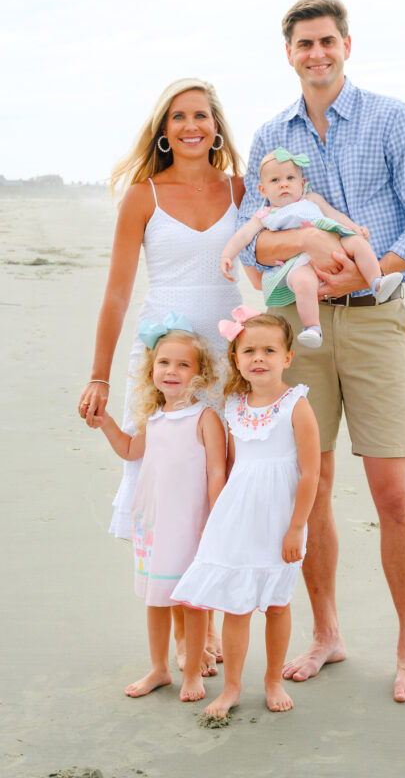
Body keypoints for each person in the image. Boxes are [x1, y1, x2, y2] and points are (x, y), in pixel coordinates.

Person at [236, 0, 405, 703]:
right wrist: (307, 244)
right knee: (314, 486)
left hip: (376, 322)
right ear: (290, 52)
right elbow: (252, 235)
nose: (316, 53)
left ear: (347, 46)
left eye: (327, 41)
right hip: (301, 329)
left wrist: (370, 267)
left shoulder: (392, 119)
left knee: (394, 494)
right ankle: (327, 634)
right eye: (304, 44)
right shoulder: (271, 137)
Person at [78, 77, 251, 667]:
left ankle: (209, 621)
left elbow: (278, 253)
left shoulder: (241, 188)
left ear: (217, 126)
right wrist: (100, 377)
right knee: (170, 493)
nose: (191, 126)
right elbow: (117, 295)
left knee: (220, 488)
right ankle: (185, 637)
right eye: (178, 117)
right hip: (165, 363)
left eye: (201, 115)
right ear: (164, 129)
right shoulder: (143, 196)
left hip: (229, 361)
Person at [172, 309, 320, 716]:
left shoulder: (296, 406)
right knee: (236, 605)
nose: (259, 358)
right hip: (238, 519)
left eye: (270, 350)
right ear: (236, 359)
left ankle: (272, 680)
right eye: (249, 350)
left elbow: (310, 474)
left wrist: (296, 528)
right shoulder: (233, 405)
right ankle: (233, 687)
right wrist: (220, 517)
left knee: (275, 603)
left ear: (287, 358)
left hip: (280, 522)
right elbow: (234, 468)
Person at [90, 318, 227, 701]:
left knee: (191, 600)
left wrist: (215, 521)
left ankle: (192, 676)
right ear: (152, 369)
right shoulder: (152, 418)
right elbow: (130, 452)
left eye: (184, 364)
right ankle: (159, 668)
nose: (172, 371)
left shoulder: (205, 418)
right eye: (165, 362)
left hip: (191, 525)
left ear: (200, 374)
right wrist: (107, 424)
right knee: (156, 598)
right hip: (155, 523)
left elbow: (217, 472)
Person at [219, 147, 403, 347]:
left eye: (290, 178)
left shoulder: (311, 199)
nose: (284, 185)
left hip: (333, 240)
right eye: (275, 181)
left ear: (302, 183)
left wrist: (355, 228)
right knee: (303, 283)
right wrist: (227, 255)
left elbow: (334, 215)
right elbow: (243, 236)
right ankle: (312, 327)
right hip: (297, 262)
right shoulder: (264, 215)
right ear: (263, 190)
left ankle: (376, 281)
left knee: (358, 243)